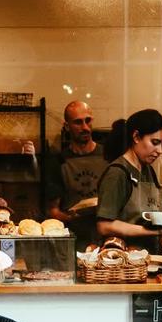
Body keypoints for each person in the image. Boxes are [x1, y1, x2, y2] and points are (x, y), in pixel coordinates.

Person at [95, 108, 162, 243]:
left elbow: (149, 216)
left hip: (150, 258)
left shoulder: (148, 170)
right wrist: (154, 232)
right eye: (155, 142)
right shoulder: (117, 173)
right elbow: (104, 226)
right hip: (125, 258)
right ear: (136, 137)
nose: (160, 151)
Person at [45, 100, 108, 236]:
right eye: (78, 122)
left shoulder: (108, 157)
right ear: (67, 126)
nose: (85, 127)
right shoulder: (59, 162)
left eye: (88, 120)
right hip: (74, 234)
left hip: (105, 233)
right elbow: (53, 210)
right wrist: (72, 218)